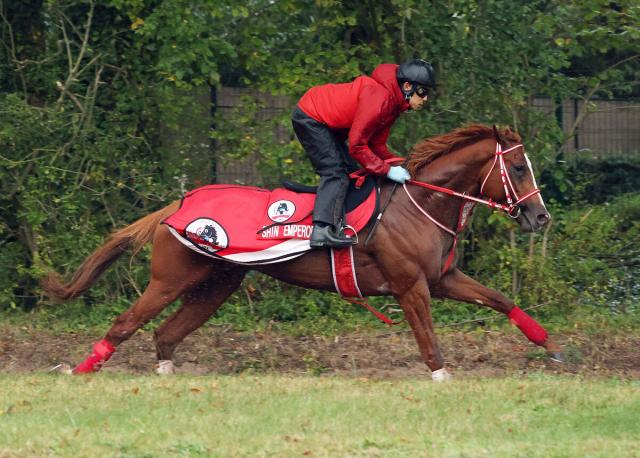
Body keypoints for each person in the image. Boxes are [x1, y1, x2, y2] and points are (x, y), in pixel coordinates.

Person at [292, 58, 435, 248]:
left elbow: (376, 144)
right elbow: (357, 146)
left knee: (352, 173)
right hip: (311, 116)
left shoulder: (393, 104)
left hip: (328, 124)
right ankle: (321, 231)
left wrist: (399, 164)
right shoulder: (379, 99)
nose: (425, 98)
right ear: (407, 86)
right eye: (422, 92)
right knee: (336, 172)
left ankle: (340, 225)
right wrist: (388, 171)